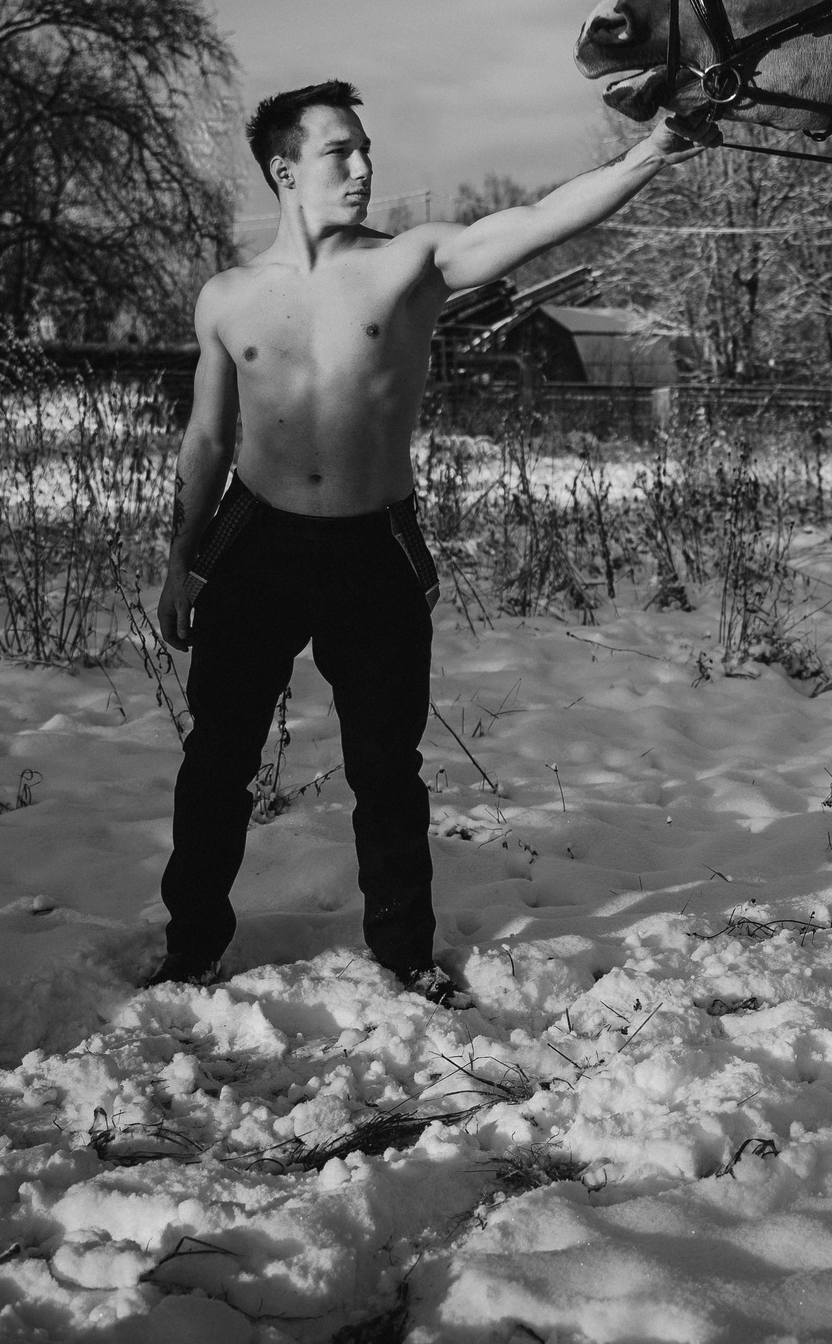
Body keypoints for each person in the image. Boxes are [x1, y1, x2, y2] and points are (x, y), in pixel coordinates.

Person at [146, 80, 695, 1003]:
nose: (364, 169)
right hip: (253, 541)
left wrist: (652, 151)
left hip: (375, 546)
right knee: (216, 764)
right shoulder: (228, 298)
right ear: (285, 170)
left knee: (387, 770)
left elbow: (540, 219)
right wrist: (180, 558)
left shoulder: (411, 262)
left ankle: (403, 952)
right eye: (339, 153)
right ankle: (191, 946)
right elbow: (207, 439)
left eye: (367, 149)